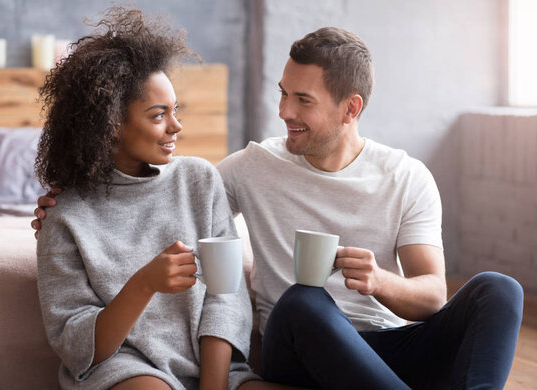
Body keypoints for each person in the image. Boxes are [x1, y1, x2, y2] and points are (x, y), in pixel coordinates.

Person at [33, 24, 524, 389]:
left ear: (350, 108)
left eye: (302, 100)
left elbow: (433, 296)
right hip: (303, 344)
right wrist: (60, 201)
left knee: (499, 290)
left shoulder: (406, 176)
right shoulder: (249, 167)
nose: (284, 112)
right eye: (283, 94)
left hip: (389, 346)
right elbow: (163, 199)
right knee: (305, 299)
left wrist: (379, 282)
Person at [33, 7, 301, 390]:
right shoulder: (65, 218)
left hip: (216, 372)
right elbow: (77, 345)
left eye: (176, 111)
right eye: (159, 115)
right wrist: (143, 284)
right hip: (124, 371)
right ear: (111, 124)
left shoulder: (199, 179)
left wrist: (213, 386)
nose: (176, 126)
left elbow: (226, 297)